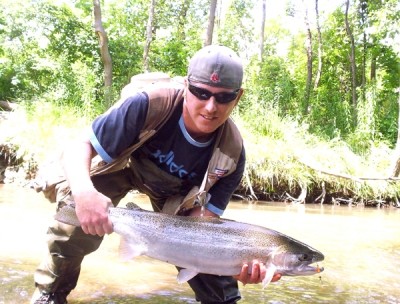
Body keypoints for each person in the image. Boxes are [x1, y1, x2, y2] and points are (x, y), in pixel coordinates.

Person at [31, 45, 281, 304]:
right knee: (74, 223)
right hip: (122, 166)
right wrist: (84, 194)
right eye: (200, 93)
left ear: (237, 97)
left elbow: (203, 225)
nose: (210, 107)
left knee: (215, 260)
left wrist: (232, 262)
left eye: (223, 97)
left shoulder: (231, 154)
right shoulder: (148, 104)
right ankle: (49, 294)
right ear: (186, 86)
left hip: (174, 195)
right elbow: (78, 146)